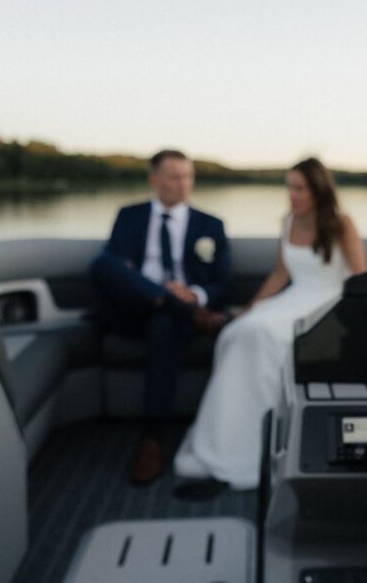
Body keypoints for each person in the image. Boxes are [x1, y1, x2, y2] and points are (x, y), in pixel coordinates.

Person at [173, 157, 367, 498]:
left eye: (299, 188)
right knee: (236, 331)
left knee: (259, 335)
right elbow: (280, 274)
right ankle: (223, 440)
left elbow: (359, 279)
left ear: (318, 190)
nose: (291, 195)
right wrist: (250, 308)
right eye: (289, 187)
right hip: (293, 297)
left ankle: (252, 453)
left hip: (328, 303)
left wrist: (347, 321)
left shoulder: (341, 224)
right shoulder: (289, 221)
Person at [89, 149, 232, 485]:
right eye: (174, 177)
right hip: (132, 310)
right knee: (101, 263)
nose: (183, 184)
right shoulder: (129, 216)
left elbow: (223, 281)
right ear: (154, 180)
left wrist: (194, 295)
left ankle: (152, 440)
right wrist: (163, 295)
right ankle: (177, 307)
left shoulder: (210, 225)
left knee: (164, 323)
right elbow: (116, 269)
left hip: (173, 320)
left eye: (188, 177)